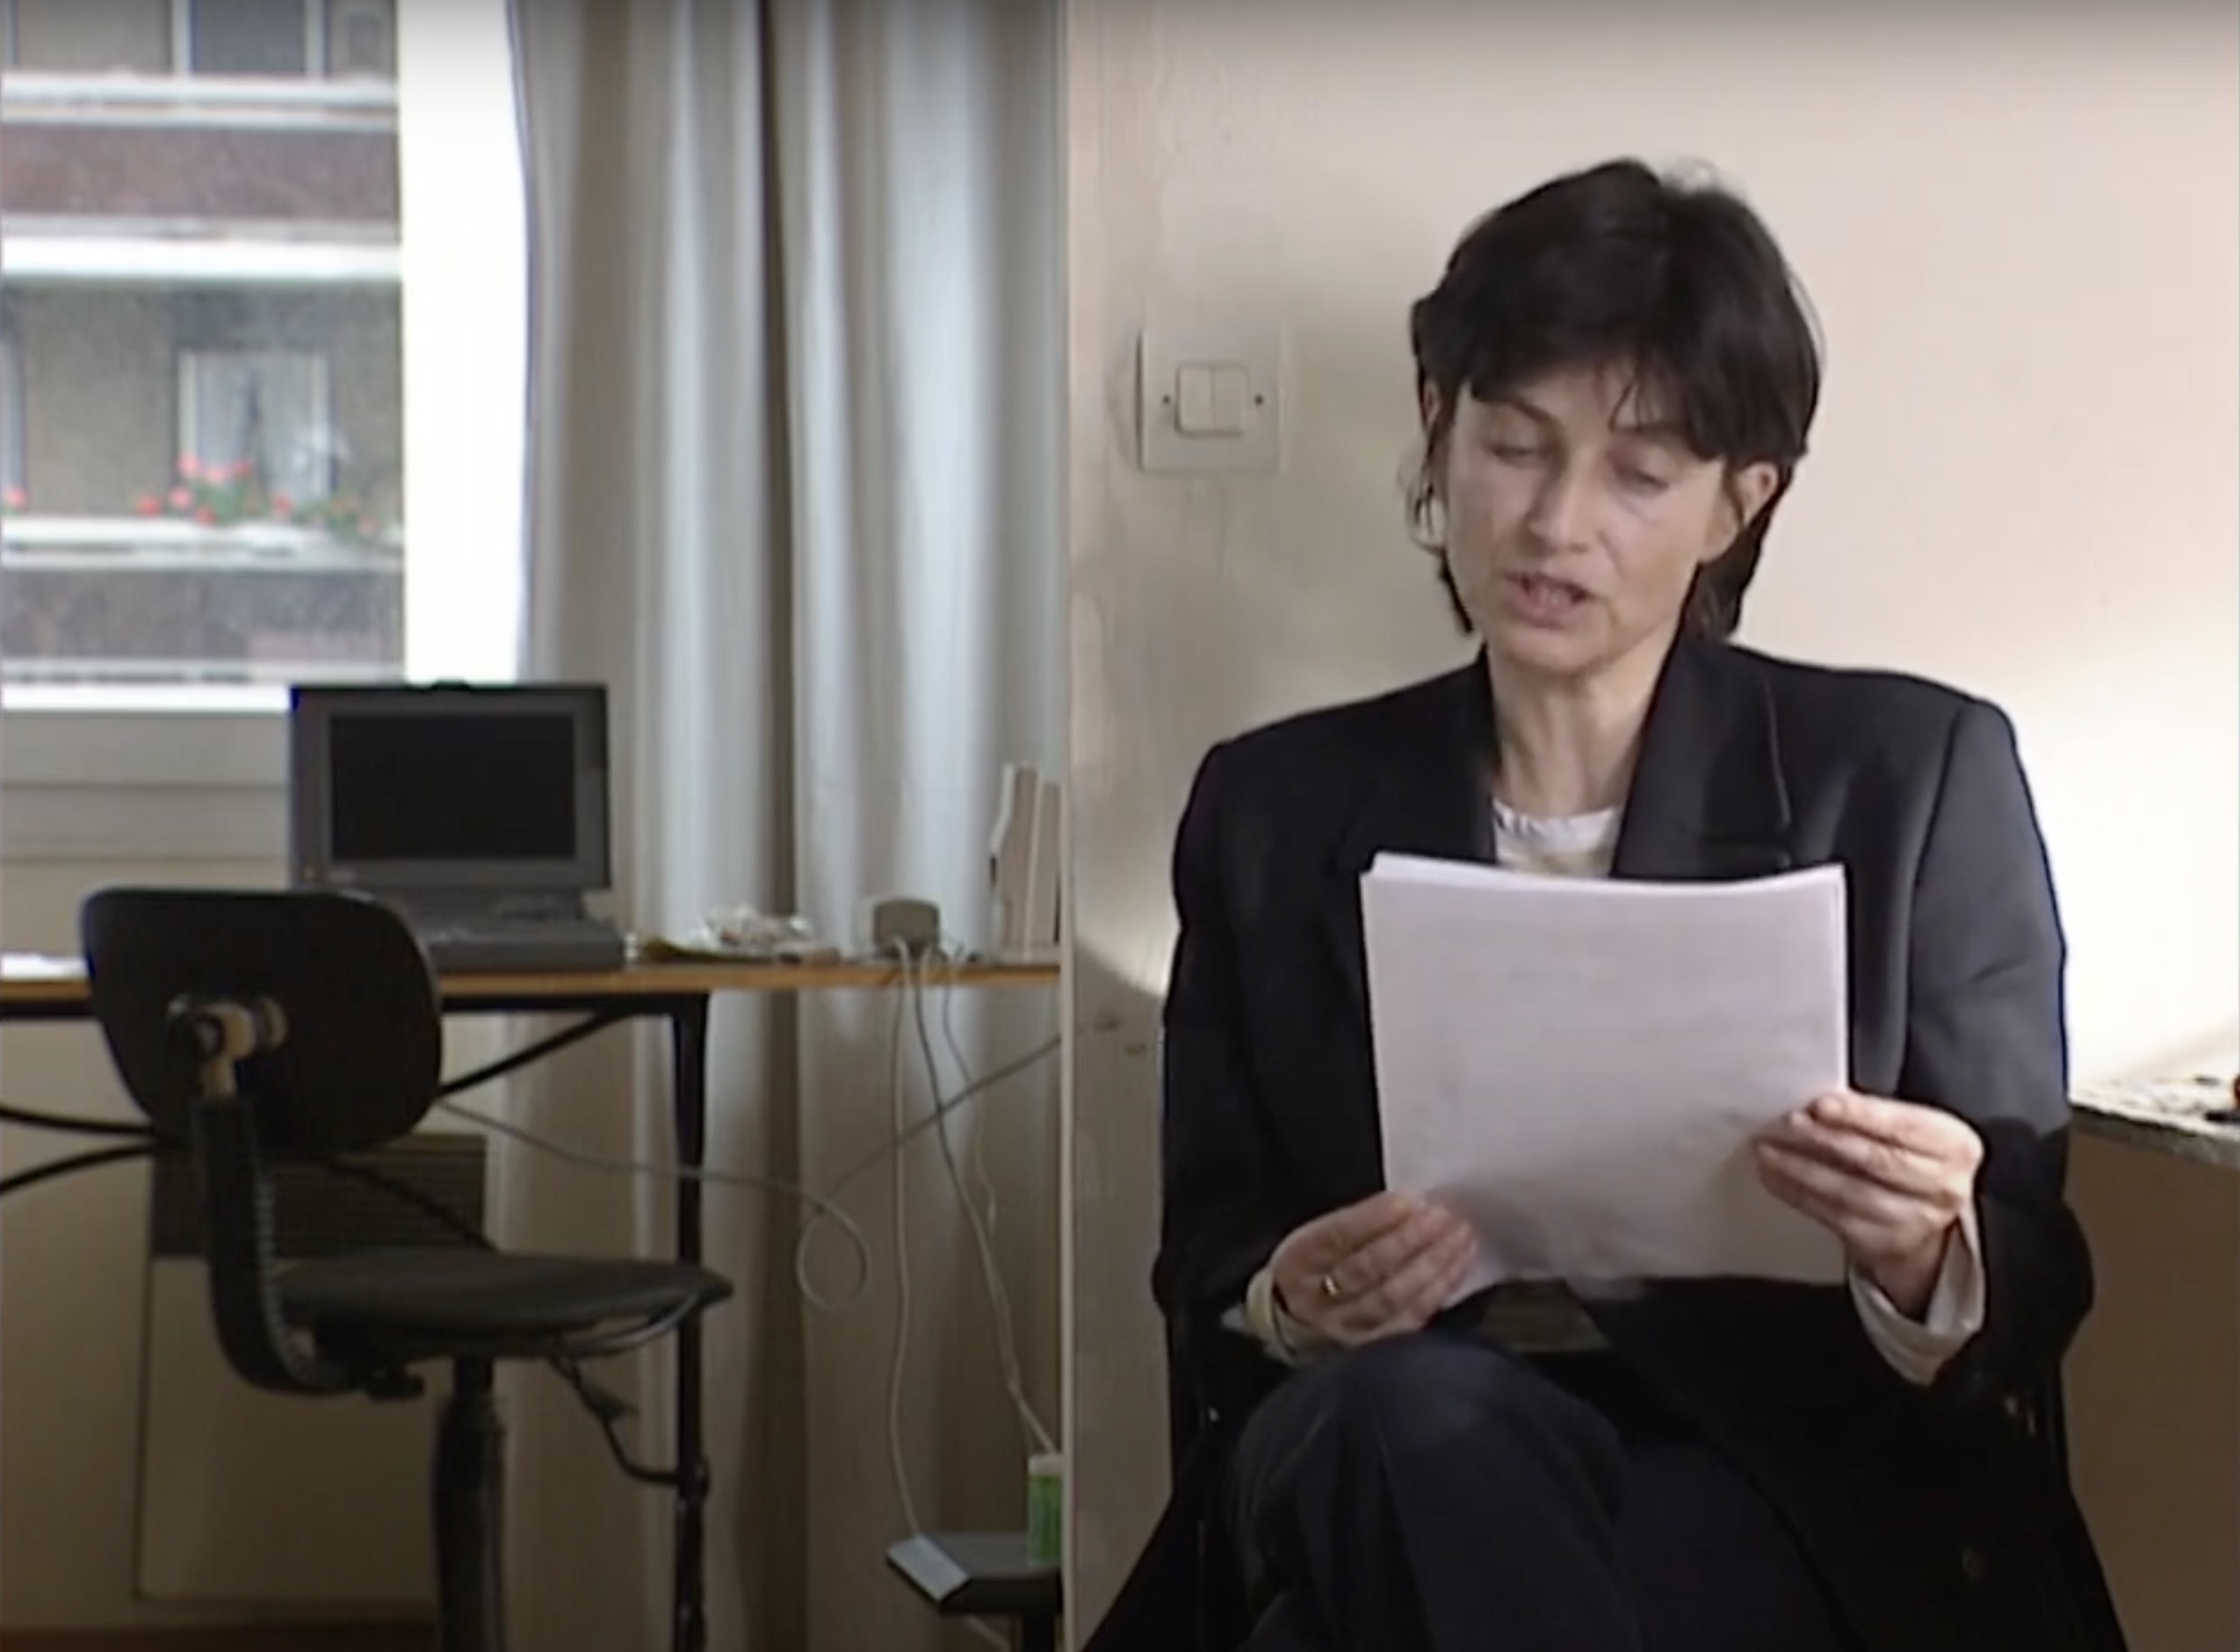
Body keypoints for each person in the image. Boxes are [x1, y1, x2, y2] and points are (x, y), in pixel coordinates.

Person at [1083, 159, 2130, 1652]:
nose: (1553, 522)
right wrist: (1288, 1298)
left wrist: (1927, 1253)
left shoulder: (1908, 779)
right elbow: (1207, 1257)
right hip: (1376, 1431)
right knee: (1412, 1423)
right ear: (1438, 430)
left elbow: (2032, 1274)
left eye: (1637, 475)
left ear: (1737, 503)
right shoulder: (1272, 810)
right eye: (1513, 446)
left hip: (1767, 1471)